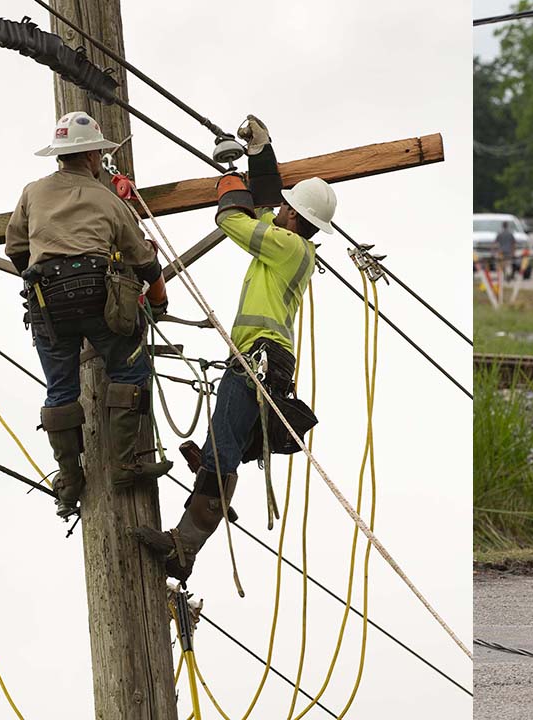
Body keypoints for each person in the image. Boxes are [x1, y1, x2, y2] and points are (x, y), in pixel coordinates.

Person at [135, 116, 336, 582]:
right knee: (219, 449)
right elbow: (265, 202)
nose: (279, 209)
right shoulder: (290, 242)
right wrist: (261, 152)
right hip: (262, 359)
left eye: (286, 207)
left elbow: (231, 219)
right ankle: (198, 506)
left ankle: (183, 548)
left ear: (295, 217)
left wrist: (226, 175)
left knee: (222, 450)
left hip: (259, 359)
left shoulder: (288, 247)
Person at [4, 111, 172, 519]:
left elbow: (15, 250)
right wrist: (158, 295)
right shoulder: (106, 199)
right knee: (130, 371)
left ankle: (70, 478)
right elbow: (142, 257)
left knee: (60, 389)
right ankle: (124, 466)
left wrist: (43, 274)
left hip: (47, 301)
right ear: (95, 156)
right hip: (99, 296)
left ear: (60, 155)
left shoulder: (32, 192)